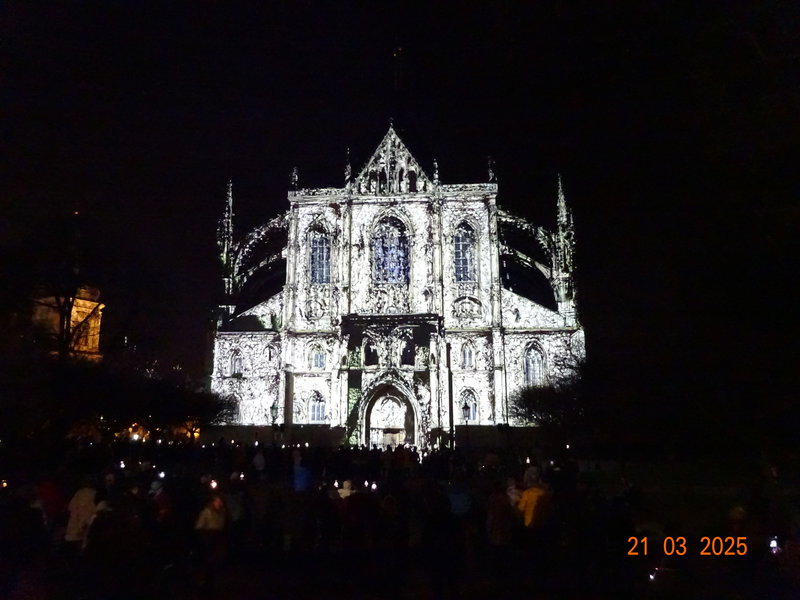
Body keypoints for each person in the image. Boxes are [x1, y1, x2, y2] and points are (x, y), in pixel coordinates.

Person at [195, 495, 227, 598]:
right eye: (217, 501)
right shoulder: (206, 512)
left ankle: (214, 585)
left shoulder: (223, 512)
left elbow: (223, 526)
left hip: (218, 539)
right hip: (209, 540)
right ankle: (206, 585)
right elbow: (199, 527)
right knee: (208, 564)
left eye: (220, 501)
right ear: (213, 502)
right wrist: (205, 539)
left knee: (217, 563)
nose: (219, 503)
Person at [64, 477, 97, 556]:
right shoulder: (94, 494)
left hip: (75, 528)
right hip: (86, 528)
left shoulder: (78, 494)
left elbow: (70, 507)